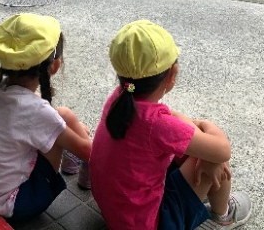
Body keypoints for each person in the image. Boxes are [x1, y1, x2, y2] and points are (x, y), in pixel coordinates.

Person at [90, 20, 252, 230]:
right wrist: (204, 124)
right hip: (150, 224)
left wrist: (198, 139)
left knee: (201, 151)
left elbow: (171, 123)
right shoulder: (155, 124)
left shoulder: (120, 98)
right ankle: (222, 215)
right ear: (173, 74)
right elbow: (222, 150)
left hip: (118, 211)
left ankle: (202, 194)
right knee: (215, 162)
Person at [0, 13, 92, 222]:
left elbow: (34, 116)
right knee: (61, 128)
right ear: (55, 66)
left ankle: (72, 159)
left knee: (60, 118)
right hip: (11, 205)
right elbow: (88, 150)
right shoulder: (37, 112)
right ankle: (81, 167)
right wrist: (82, 135)